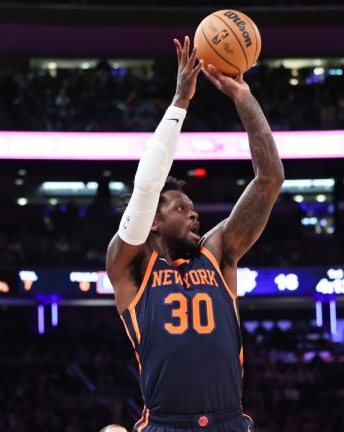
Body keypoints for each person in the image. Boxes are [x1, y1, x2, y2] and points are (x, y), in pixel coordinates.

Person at [106, 36, 284, 432]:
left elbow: (270, 178)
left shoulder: (218, 252)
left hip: (229, 422)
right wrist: (180, 102)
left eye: (193, 208)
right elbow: (146, 187)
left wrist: (244, 99)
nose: (195, 214)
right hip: (166, 425)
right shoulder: (131, 266)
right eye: (181, 209)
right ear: (152, 220)